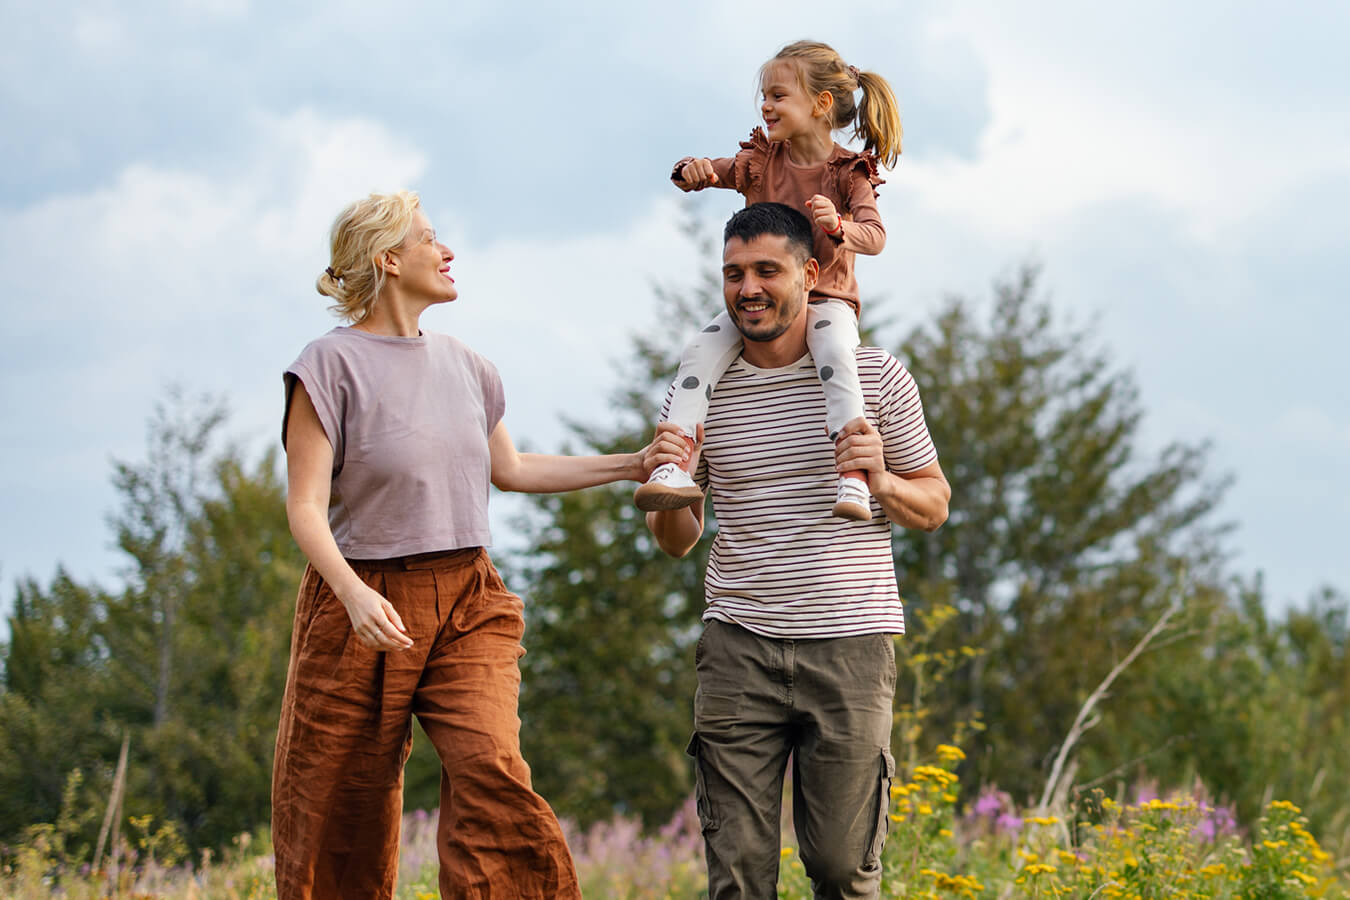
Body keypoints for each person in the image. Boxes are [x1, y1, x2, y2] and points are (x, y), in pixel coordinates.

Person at [272, 190, 652, 900]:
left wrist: (631, 463)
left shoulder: (468, 365)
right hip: (360, 603)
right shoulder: (327, 366)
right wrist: (352, 596)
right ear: (388, 259)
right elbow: (304, 506)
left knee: (490, 769)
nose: (447, 252)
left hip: (468, 598)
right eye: (428, 239)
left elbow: (512, 470)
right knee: (338, 809)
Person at [643, 202, 950, 900]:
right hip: (738, 645)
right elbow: (676, 544)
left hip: (850, 645)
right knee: (739, 875)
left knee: (843, 869)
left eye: (766, 271)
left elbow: (933, 505)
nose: (747, 288)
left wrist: (881, 480)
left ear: (811, 274)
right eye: (733, 273)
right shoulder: (699, 393)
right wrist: (676, 491)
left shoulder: (876, 377)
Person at [634, 39, 903, 521]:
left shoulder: (847, 173)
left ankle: (854, 475)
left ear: (820, 104)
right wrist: (693, 172)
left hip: (827, 299)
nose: (766, 105)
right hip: (765, 304)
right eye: (765, 95)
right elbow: (714, 170)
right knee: (699, 349)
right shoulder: (762, 160)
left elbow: (876, 236)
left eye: (779, 96)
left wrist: (840, 227)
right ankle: (673, 465)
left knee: (837, 355)